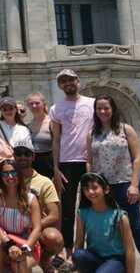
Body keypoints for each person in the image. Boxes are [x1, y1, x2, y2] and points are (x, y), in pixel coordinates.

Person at [87, 94, 140, 272]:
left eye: (106, 108)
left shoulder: (126, 130)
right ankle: (118, 265)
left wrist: (134, 185)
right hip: (103, 189)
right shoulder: (92, 133)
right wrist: (89, 184)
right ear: (95, 111)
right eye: (99, 108)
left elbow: (138, 157)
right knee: (109, 228)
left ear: (113, 109)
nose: (103, 111)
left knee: (135, 228)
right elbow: (89, 159)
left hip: (124, 184)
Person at [49, 69, 95, 259]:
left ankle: (87, 250)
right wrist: (56, 167)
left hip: (88, 163)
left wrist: (93, 163)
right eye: (63, 81)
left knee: (90, 209)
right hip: (67, 163)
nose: (68, 83)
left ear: (78, 80)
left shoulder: (92, 104)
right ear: (60, 85)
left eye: (71, 80)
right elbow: (56, 139)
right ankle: (69, 253)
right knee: (67, 210)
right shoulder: (55, 108)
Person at [12, 137, 65, 272]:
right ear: (13, 156)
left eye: (27, 154)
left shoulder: (44, 182)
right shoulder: (7, 178)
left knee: (54, 238)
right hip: (11, 228)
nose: (22, 157)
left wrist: (33, 226)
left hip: (36, 228)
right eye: (19, 153)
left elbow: (54, 215)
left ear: (33, 156)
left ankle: (44, 259)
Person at [0, 160, 42, 273]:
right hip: (4, 241)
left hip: (26, 243)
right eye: (5, 174)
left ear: (19, 174)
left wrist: (24, 248)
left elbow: (37, 228)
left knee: (18, 265)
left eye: (13, 172)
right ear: (0, 177)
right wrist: (9, 245)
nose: (10, 176)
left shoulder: (31, 198)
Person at [72, 172, 135, 273]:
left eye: (94, 187)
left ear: (106, 189)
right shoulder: (82, 213)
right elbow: (78, 243)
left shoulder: (120, 216)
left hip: (115, 260)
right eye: (86, 188)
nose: (90, 192)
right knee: (78, 254)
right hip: (94, 257)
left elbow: (129, 250)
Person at [0, 97, 32, 197]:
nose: (8, 111)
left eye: (10, 108)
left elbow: (29, 148)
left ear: (15, 109)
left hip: (17, 168)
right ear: (1, 111)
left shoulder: (23, 129)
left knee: (17, 197)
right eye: (4, 109)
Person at [26, 93, 54, 179]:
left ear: (44, 104)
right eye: (31, 104)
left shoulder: (52, 122)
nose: (34, 106)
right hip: (33, 163)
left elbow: (58, 144)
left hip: (49, 163)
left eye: (37, 103)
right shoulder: (28, 125)